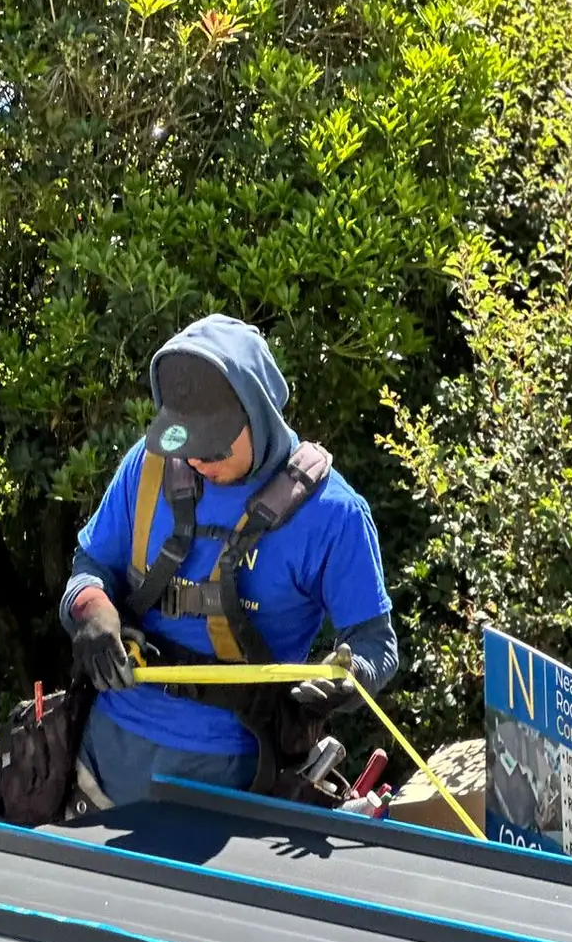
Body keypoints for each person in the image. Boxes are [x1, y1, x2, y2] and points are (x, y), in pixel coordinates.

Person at [61, 314, 399, 807]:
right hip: (103, 769)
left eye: (213, 445)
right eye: (185, 442)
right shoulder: (147, 467)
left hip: (235, 787)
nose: (197, 459)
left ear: (258, 415)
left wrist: (348, 676)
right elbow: (89, 564)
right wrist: (91, 609)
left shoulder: (333, 515)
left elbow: (376, 643)